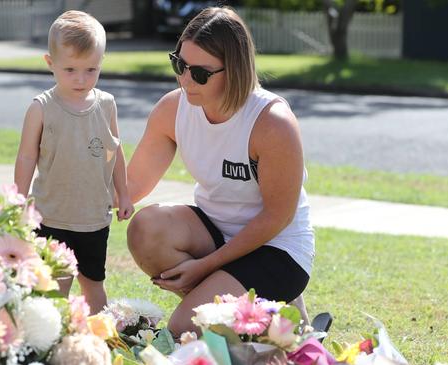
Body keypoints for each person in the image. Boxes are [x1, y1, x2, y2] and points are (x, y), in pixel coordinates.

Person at [126, 6, 314, 335]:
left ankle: (281, 324)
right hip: (214, 232)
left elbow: (278, 217)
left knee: (186, 328)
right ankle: (252, 313)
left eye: (199, 73)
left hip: (276, 247)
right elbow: (131, 185)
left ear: (235, 70)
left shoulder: (272, 123)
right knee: (145, 228)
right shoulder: (173, 108)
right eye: (179, 64)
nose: (185, 80)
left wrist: (205, 267)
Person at [14, 10, 134, 314]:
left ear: (101, 63)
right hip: (51, 215)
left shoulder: (106, 105)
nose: (81, 79)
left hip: (93, 216)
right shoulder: (41, 108)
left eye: (91, 70)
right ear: (50, 63)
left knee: (93, 283)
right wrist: (16, 198)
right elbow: (27, 155)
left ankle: (99, 337)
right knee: (55, 284)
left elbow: (115, 151)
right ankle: (49, 340)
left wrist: (124, 192)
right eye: (70, 70)